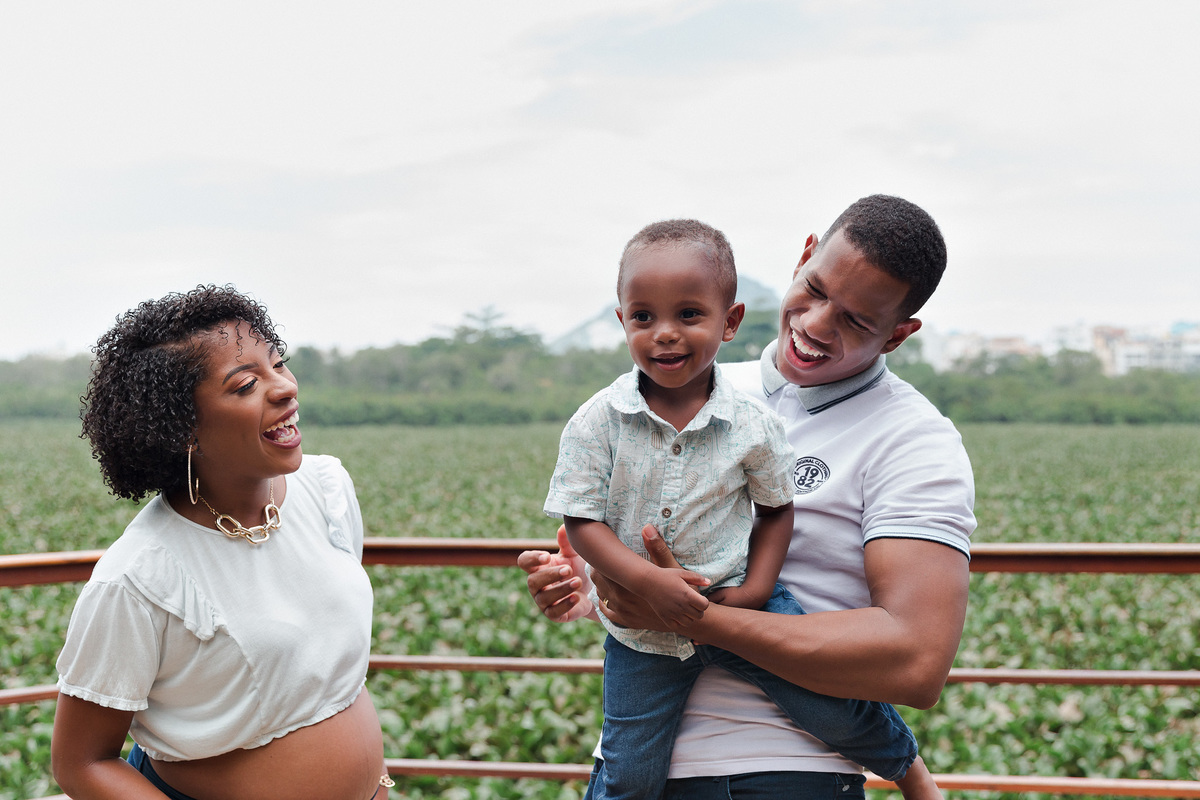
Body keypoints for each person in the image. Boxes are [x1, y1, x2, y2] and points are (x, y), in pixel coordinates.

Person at [521, 195, 975, 799]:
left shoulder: (916, 440)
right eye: (814, 290)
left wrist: (705, 620)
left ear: (898, 335)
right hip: (638, 768)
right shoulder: (681, 384)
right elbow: (630, 548)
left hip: (787, 770)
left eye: (857, 321)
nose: (815, 325)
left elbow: (916, 663)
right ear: (805, 255)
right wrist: (584, 586)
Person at [52, 285, 393, 800]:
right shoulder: (140, 577)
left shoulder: (326, 491)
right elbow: (82, 762)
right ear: (182, 428)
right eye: (245, 385)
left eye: (279, 364)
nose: (284, 389)